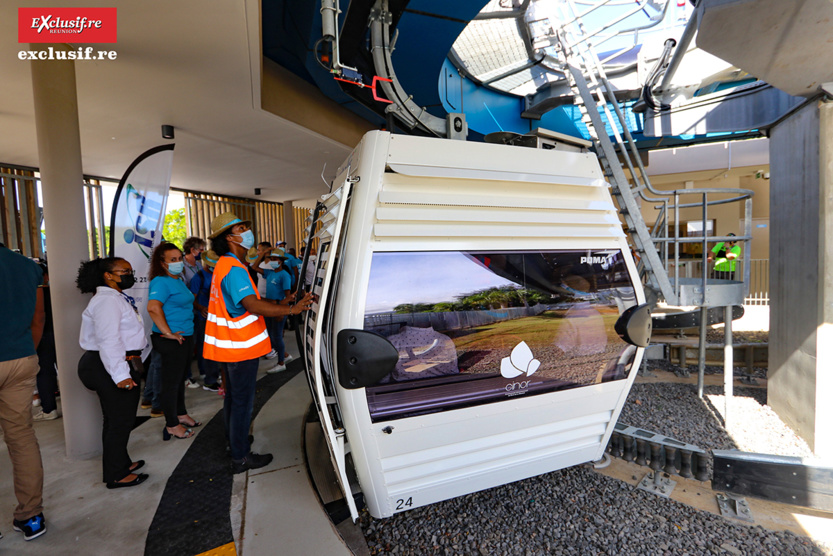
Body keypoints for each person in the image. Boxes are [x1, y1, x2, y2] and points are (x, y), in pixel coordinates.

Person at [204, 212, 313, 473]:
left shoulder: (224, 265)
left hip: (231, 346)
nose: (247, 232)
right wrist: (292, 310)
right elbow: (251, 305)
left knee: (233, 398)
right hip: (240, 347)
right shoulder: (234, 268)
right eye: (241, 228)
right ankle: (240, 457)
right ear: (230, 237)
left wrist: (282, 303)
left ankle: (235, 441)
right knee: (242, 402)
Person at [76, 257, 149, 491]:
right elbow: (109, 341)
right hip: (108, 365)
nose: (130, 274)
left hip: (111, 362)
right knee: (120, 421)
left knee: (117, 419)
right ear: (108, 275)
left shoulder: (114, 297)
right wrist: (121, 375)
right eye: (125, 271)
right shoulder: (107, 301)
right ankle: (116, 475)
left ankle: (121, 463)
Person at [0, 244, 47, 540]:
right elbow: (38, 318)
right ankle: (31, 516)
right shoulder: (27, 266)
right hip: (21, 358)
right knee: (21, 436)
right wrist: (23, 350)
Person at [147, 242, 200, 441]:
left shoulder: (177, 279)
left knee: (179, 380)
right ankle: (171, 425)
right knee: (170, 383)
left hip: (185, 336)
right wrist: (168, 333)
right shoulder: (161, 281)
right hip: (171, 340)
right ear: (162, 263)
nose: (178, 263)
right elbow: (153, 307)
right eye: (173, 260)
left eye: (179, 259)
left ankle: (181, 414)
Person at [251, 248, 294, 373]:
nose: (272, 261)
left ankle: (281, 362)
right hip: (269, 307)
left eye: (275, 259)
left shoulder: (284, 275)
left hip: (278, 308)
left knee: (276, 336)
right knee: (270, 335)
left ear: (281, 261)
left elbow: (288, 296)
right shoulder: (269, 273)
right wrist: (263, 254)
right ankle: (285, 355)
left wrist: (283, 311)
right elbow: (254, 267)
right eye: (271, 259)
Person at [189, 249, 222, 391]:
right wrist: (201, 308)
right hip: (203, 318)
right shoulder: (199, 278)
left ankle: (210, 373)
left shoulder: (219, 274)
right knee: (206, 347)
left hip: (217, 316)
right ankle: (208, 376)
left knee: (216, 346)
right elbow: (192, 299)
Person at [33, 264, 60, 421]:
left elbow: (38, 316)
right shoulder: (56, 292)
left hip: (42, 336)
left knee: (44, 373)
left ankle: (49, 409)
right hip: (62, 335)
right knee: (67, 371)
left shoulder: (31, 293)